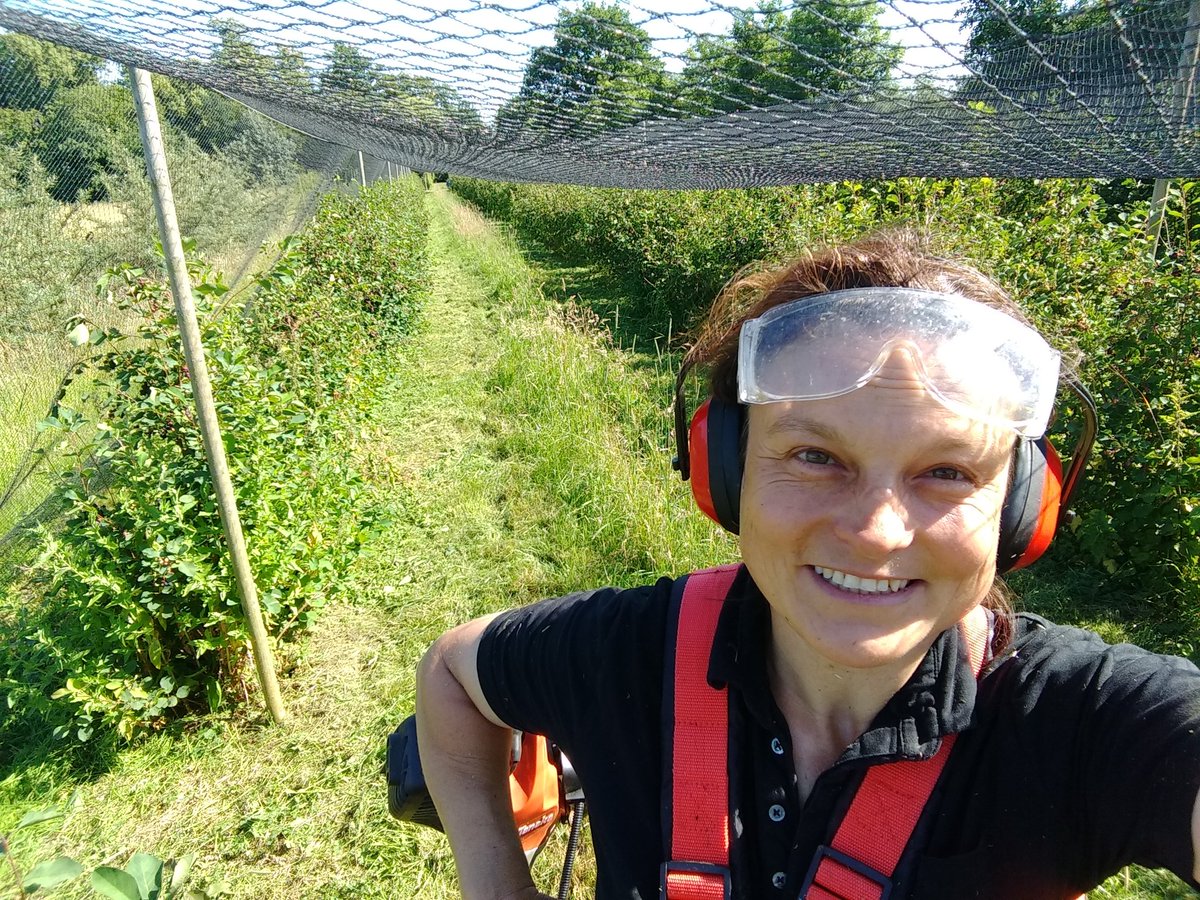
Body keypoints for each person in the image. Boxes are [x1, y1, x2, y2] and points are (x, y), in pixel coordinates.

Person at [414, 230, 1200, 899]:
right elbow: (453, 674)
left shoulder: (1083, 722)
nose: (876, 532)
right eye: (817, 455)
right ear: (726, 469)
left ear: (1023, 506)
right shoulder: (627, 652)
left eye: (949, 472)